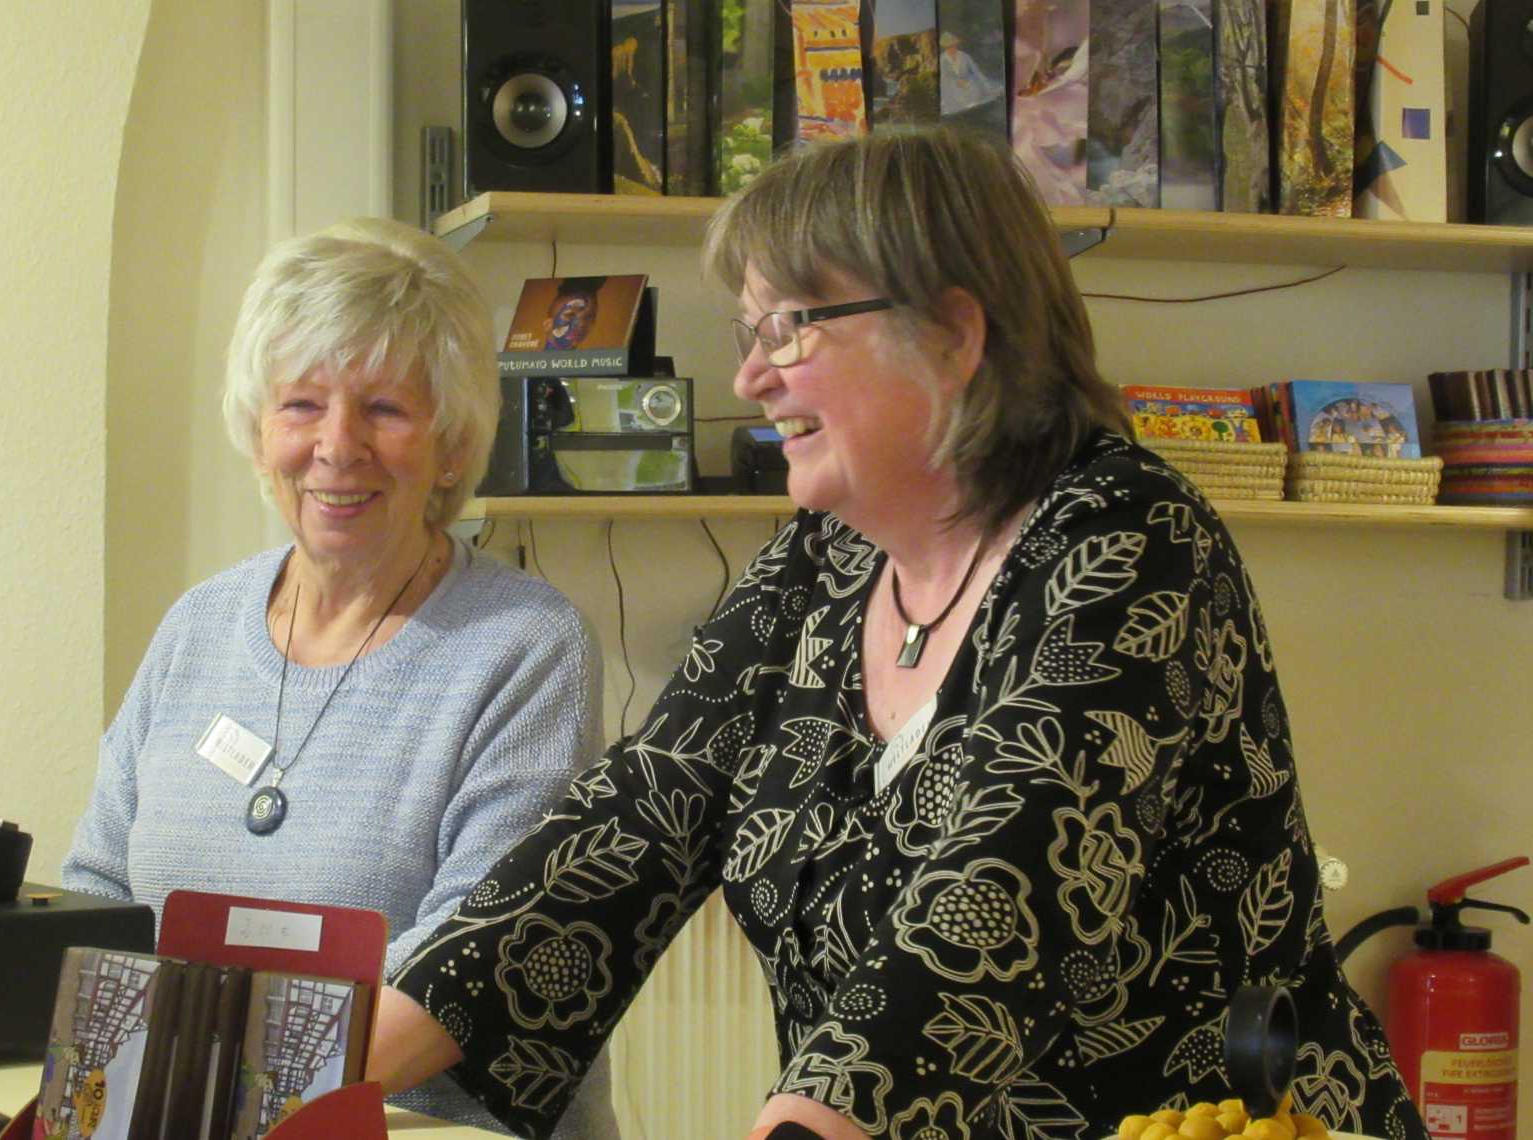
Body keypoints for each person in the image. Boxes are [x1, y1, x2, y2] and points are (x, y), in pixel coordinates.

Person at [361, 127, 1426, 1140]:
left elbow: (999, 895)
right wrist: (316, 1074)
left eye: (790, 326)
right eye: (750, 332)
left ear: (954, 334)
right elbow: (625, 829)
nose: (749, 378)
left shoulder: (1126, 541)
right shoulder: (822, 560)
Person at [60, 218, 617, 1137]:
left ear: (451, 443)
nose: (337, 444)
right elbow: (99, 897)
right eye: (301, 404)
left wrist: (216, 1102)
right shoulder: (197, 627)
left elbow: (463, 971)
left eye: (385, 409)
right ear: (258, 431)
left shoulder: (523, 647)